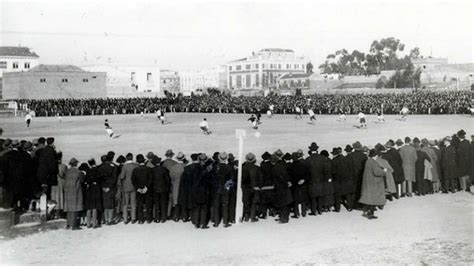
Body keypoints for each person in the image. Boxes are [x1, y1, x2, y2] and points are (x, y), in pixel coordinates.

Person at [358, 149, 387, 220]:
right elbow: (377, 172)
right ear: (375, 155)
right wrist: (384, 171)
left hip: (369, 181)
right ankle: (370, 213)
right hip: (374, 182)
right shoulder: (373, 162)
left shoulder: (368, 161)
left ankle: (369, 212)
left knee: (370, 198)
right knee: (373, 198)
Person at [305, 142, 330, 215]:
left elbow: (306, 172)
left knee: (313, 197)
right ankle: (320, 210)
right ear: (317, 150)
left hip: (312, 181)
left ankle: (314, 211)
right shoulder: (323, 158)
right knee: (320, 196)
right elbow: (326, 170)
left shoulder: (308, 159)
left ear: (310, 150)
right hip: (321, 180)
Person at [212, 152, 234, 227]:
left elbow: (212, 178)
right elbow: (231, 179)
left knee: (216, 205)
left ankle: (216, 222)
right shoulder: (229, 167)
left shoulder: (215, 167)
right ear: (226, 159)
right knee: (225, 205)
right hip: (225, 189)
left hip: (216, 189)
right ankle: (225, 222)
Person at [270, 152, 293, 224]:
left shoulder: (274, 168)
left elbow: (280, 178)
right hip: (283, 187)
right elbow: (285, 175)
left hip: (280, 187)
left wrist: (284, 183)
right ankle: (283, 217)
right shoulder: (281, 166)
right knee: (284, 203)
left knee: (283, 204)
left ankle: (284, 218)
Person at [331, 147, 355, 212]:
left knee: (337, 195)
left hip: (338, 180)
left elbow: (333, 172)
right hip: (347, 179)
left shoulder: (334, 161)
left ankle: (337, 208)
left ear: (335, 154)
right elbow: (351, 169)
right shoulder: (347, 159)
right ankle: (349, 207)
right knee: (347, 193)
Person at [64, 158, 85, 230]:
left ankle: (68, 224)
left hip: (68, 191)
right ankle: (74, 225)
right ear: (76, 163)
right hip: (76, 191)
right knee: (75, 208)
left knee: (69, 208)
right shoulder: (78, 172)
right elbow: (82, 180)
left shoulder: (67, 171)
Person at [132, 154, 153, 224]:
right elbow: (150, 179)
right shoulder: (149, 169)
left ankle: (140, 220)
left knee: (140, 204)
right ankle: (148, 219)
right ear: (144, 161)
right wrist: (146, 187)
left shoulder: (135, 170)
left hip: (139, 190)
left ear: (137, 162)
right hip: (147, 189)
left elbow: (133, 180)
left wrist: (138, 188)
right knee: (148, 204)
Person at [118, 153, 138, 224]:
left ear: (126, 158)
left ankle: (125, 219)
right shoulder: (136, 165)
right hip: (134, 186)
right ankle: (133, 218)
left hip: (126, 187)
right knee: (133, 202)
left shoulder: (124, 166)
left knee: (125, 203)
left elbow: (122, 177)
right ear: (132, 158)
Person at [289, 150, 310, 217]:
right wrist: (303, 180)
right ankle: (304, 212)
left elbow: (289, 176)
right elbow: (308, 174)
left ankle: (297, 213)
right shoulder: (303, 165)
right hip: (302, 184)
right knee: (303, 199)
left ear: (292, 159)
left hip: (294, 185)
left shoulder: (290, 167)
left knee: (296, 200)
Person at [97, 155, 117, 225]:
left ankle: (105, 219)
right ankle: (110, 219)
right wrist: (110, 186)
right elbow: (114, 178)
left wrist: (103, 186)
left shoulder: (99, 167)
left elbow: (99, 178)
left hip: (103, 187)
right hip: (110, 187)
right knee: (111, 204)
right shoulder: (112, 167)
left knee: (105, 204)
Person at [241, 152, 261, 222]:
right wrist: (259, 186)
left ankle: (246, 217)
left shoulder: (242, 168)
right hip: (254, 187)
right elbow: (260, 178)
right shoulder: (257, 168)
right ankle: (252, 217)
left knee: (246, 201)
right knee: (253, 202)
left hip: (245, 187)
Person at [151, 155, 170, 223]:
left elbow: (151, 180)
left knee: (156, 203)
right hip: (163, 189)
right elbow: (168, 180)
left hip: (155, 189)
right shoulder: (164, 169)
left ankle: (157, 218)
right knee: (163, 203)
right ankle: (163, 218)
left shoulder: (152, 170)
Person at [83, 158, 102, 228]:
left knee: (89, 207)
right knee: (95, 206)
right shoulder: (98, 170)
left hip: (89, 189)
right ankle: (94, 223)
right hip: (96, 188)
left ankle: (88, 223)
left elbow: (86, 180)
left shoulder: (88, 171)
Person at [169, 152, 186, 221]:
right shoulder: (185, 167)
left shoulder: (173, 167)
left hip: (175, 184)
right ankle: (184, 216)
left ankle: (176, 216)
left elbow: (171, 177)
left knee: (176, 200)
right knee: (183, 200)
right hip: (184, 185)